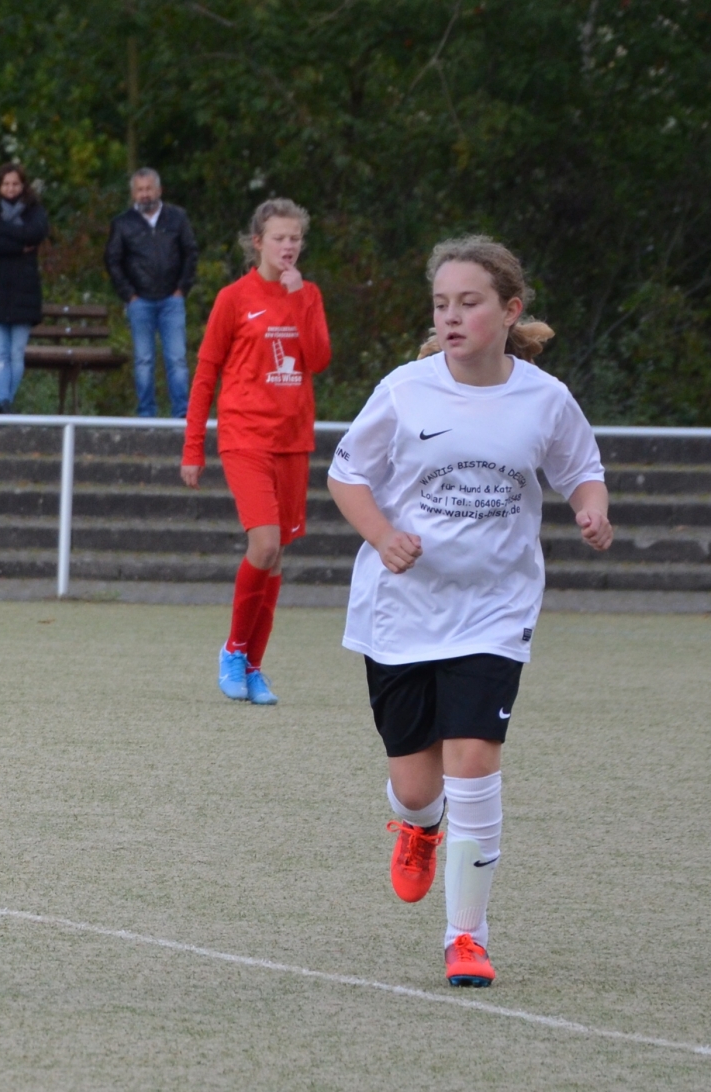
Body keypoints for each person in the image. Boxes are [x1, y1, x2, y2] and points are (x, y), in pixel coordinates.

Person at [327, 236, 611, 988]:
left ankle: (466, 937)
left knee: (475, 763)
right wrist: (382, 536)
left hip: (495, 610)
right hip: (402, 612)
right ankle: (419, 828)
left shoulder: (544, 398)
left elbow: (582, 469)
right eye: (441, 304)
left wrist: (592, 509)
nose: (451, 317)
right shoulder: (404, 390)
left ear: (510, 310)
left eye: (469, 303)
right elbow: (347, 475)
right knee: (420, 789)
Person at [181, 198, 329, 706]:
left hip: (293, 440)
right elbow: (206, 374)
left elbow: (318, 358)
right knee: (264, 545)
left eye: (295, 238)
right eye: (279, 238)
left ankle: (253, 666)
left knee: (278, 555)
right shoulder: (234, 298)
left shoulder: (308, 294)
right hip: (245, 437)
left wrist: (300, 297)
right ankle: (232, 650)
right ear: (258, 242)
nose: (288, 247)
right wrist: (193, 447)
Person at [105, 168, 198, 417]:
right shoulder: (122, 223)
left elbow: (190, 253)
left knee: (177, 359)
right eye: (140, 190)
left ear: (159, 190)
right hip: (140, 301)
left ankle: (182, 414)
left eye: (148, 189)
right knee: (143, 360)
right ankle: (146, 414)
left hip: (172, 300)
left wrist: (182, 289)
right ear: (133, 194)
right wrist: (129, 295)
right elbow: (113, 261)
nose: (144, 194)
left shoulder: (177, 218)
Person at [0, 163, 49, 414]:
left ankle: (5, 404)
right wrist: (19, 246)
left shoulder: (35, 210)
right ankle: (3, 402)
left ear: (23, 185)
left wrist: (2, 230)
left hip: (24, 291)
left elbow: (36, 233)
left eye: (15, 183)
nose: (11, 188)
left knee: (17, 353)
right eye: (6, 184)